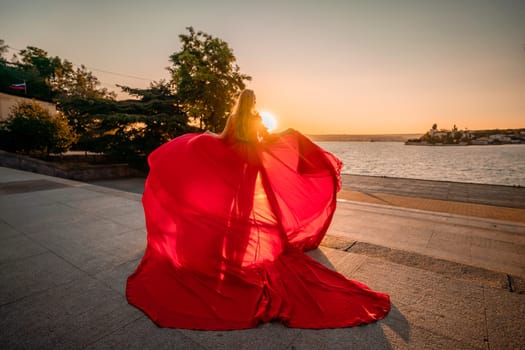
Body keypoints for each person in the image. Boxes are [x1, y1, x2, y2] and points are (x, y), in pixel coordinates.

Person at [126, 89, 390, 330]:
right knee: (243, 214)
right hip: (249, 169)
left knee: (229, 216)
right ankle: (237, 258)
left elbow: (222, 139)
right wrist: (291, 136)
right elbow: (269, 139)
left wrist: (204, 142)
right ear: (253, 103)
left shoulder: (233, 119)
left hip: (232, 168)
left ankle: (226, 259)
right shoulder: (256, 120)